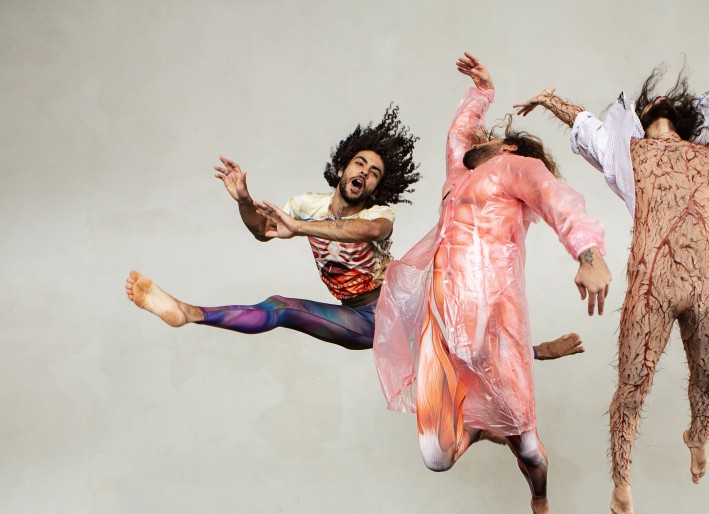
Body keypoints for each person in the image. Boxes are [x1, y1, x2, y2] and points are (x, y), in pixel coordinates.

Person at [515, 66, 709, 514]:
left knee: (708, 376)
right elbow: (584, 122)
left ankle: (697, 436)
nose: (660, 100)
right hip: (652, 284)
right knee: (632, 387)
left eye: (666, 100)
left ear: (684, 116)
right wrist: (548, 101)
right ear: (640, 116)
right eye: (652, 101)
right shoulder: (626, 151)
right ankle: (621, 482)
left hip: (707, 282)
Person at [373, 53, 613, 514]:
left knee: (528, 449)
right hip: (443, 325)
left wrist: (588, 255)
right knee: (436, 457)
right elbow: (458, 133)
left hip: (495, 322)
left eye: (488, 137)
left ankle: (540, 502)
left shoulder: (514, 167)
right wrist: (482, 91)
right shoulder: (458, 175)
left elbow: (556, 199)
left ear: (506, 147)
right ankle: (482, 426)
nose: (477, 139)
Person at [126, 107, 583, 357]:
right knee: (280, 307)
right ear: (343, 168)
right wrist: (244, 200)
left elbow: (367, 231)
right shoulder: (307, 203)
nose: (364, 172)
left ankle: (536, 352)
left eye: (374, 172)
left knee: (465, 332)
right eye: (359, 164)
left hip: (402, 308)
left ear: (377, 187)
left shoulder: (380, 212)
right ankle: (187, 313)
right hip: (362, 321)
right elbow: (262, 231)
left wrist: (301, 228)